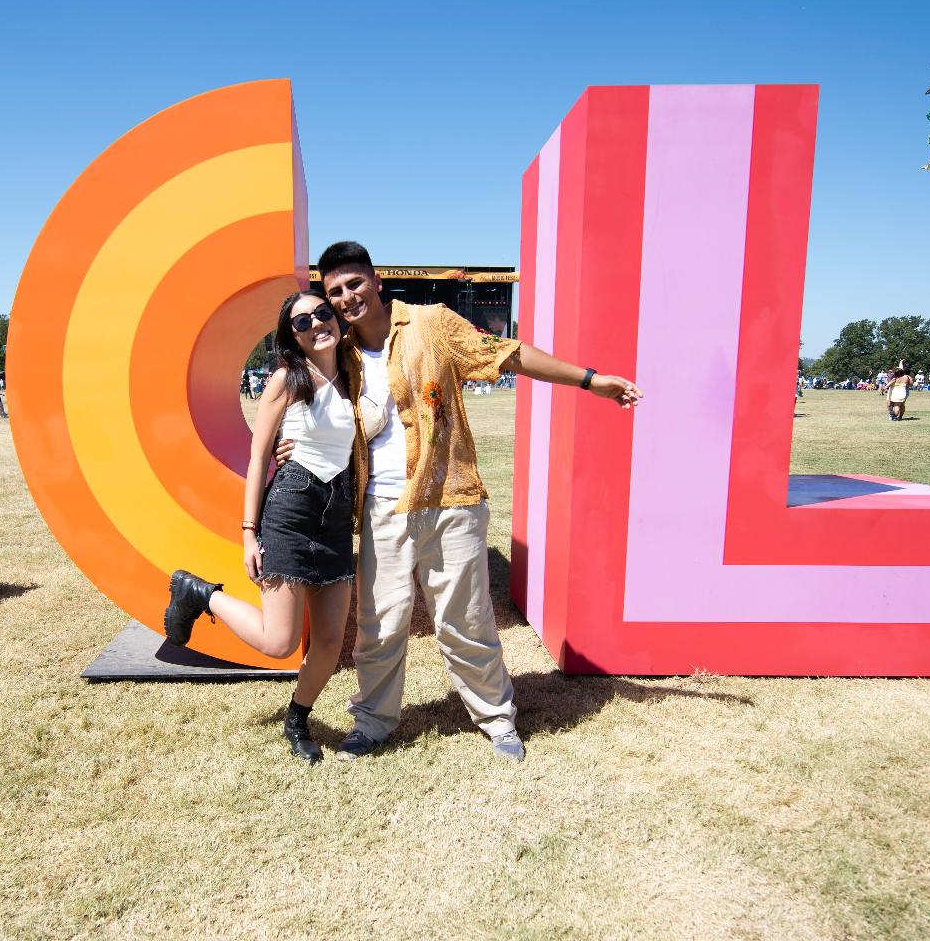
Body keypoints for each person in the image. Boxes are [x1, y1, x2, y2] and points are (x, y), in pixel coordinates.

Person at [291, 241, 641, 764]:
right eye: (335, 291)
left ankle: (497, 717)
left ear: (376, 282)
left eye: (355, 284)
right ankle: (373, 720)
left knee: (466, 619)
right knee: (380, 623)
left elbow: (508, 354)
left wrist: (590, 380)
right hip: (381, 508)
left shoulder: (430, 323)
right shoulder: (335, 351)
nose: (346, 297)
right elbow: (298, 397)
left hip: (449, 497)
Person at [164, 291, 358, 764]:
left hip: (335, 517)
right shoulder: (286, 379)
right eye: (301, 321)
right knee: (280, 642)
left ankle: (298, 719)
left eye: (322, 313)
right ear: (291, 335)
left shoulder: (354, 372)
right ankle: (200, 593)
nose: (316, 323)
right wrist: (249, 531)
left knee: (331, 641)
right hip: (290, 510)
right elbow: (257, 456)